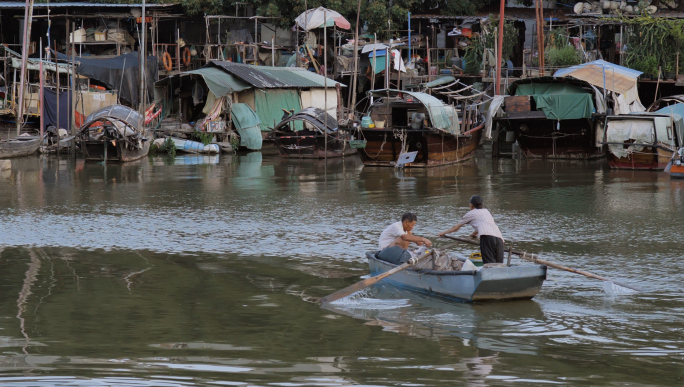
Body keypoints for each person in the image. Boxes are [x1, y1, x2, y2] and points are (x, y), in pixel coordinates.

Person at [438, 195, 504, 264]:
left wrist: (443, 232)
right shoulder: (486, 211)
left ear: (471, 205)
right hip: (499, 239)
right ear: (482, 204)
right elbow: (486, 225)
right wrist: (475, 233)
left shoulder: (470, 213)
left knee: (489, 265)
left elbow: (455, 228)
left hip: (487, 238)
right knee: (499, 265)